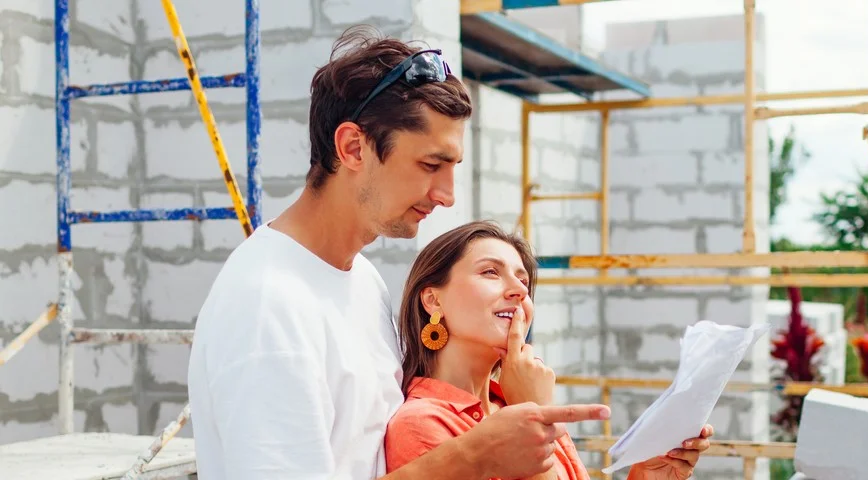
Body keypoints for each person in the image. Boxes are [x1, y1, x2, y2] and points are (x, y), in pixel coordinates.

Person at [187, 26, 611, 480]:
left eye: (452, 168)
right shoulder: (266, 304)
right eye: (430, 165)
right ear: (353, 148)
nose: (447, 195)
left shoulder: (364, 281)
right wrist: (472, 456)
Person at [383, 220, 715, 479]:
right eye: (490, 272)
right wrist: (534, 409)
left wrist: (646, 476)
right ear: (433, 299)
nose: (517, 291)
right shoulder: (420, 425)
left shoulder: (512, 400)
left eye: (523, 282)